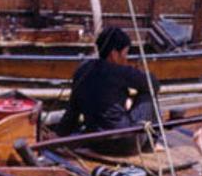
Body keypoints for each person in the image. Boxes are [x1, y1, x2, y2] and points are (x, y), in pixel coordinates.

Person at [55, 25, 159, 156]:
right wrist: (139, 73)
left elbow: (73, 111)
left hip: (95, 143)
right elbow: (154, 84)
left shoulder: (82, 69)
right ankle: (150, 145)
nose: (126, 60)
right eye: (125, 54)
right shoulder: (120, 71)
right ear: (114, 54)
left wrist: (59, 134)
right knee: (148, 94)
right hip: (126, 145)